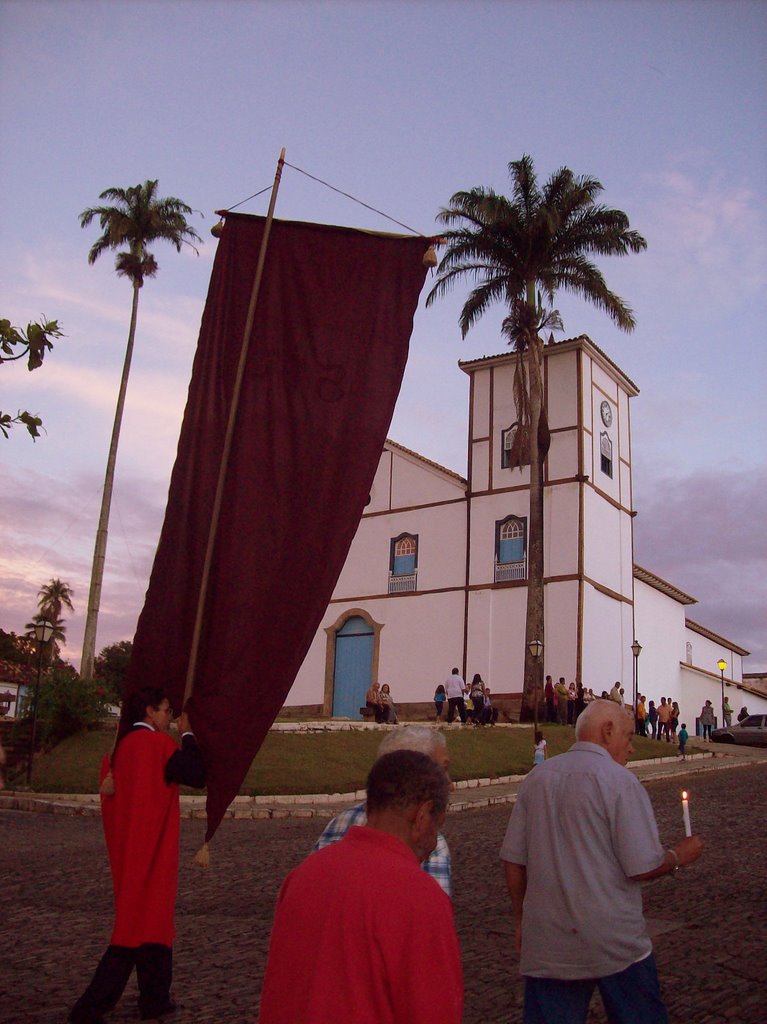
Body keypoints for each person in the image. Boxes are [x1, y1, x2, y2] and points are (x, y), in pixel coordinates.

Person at [500, 699, 703, 1024]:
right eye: (629, 737)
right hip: (614, 942)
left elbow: (513, 861)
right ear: (607, 731)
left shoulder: (537, 778)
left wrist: (521, 919)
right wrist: (679, 855)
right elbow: (642, 866)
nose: (632, 748)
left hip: (549, 942)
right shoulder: (619, 782)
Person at [259, 749, 464, 1024]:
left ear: (369, 807)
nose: (434, 840)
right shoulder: (423, 899)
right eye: (437, 827)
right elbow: (433, 1012)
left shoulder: (303, 876)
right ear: (423, 815)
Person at [69, 687, 206, 1024]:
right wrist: (187, 731)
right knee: (135, 928)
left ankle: (155, 997)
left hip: (127, 851)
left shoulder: (115, 754)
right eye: (165, 710)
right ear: (149, 711)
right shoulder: (156, 745)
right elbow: (197, 773)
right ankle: (91, 1006)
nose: (168, 717)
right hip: (152, 851)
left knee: (152, 923)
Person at [315, 726, 453, 895]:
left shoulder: (340, 823)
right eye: (442, 770)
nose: (449, 782)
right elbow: (431, 913)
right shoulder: (429, 844)